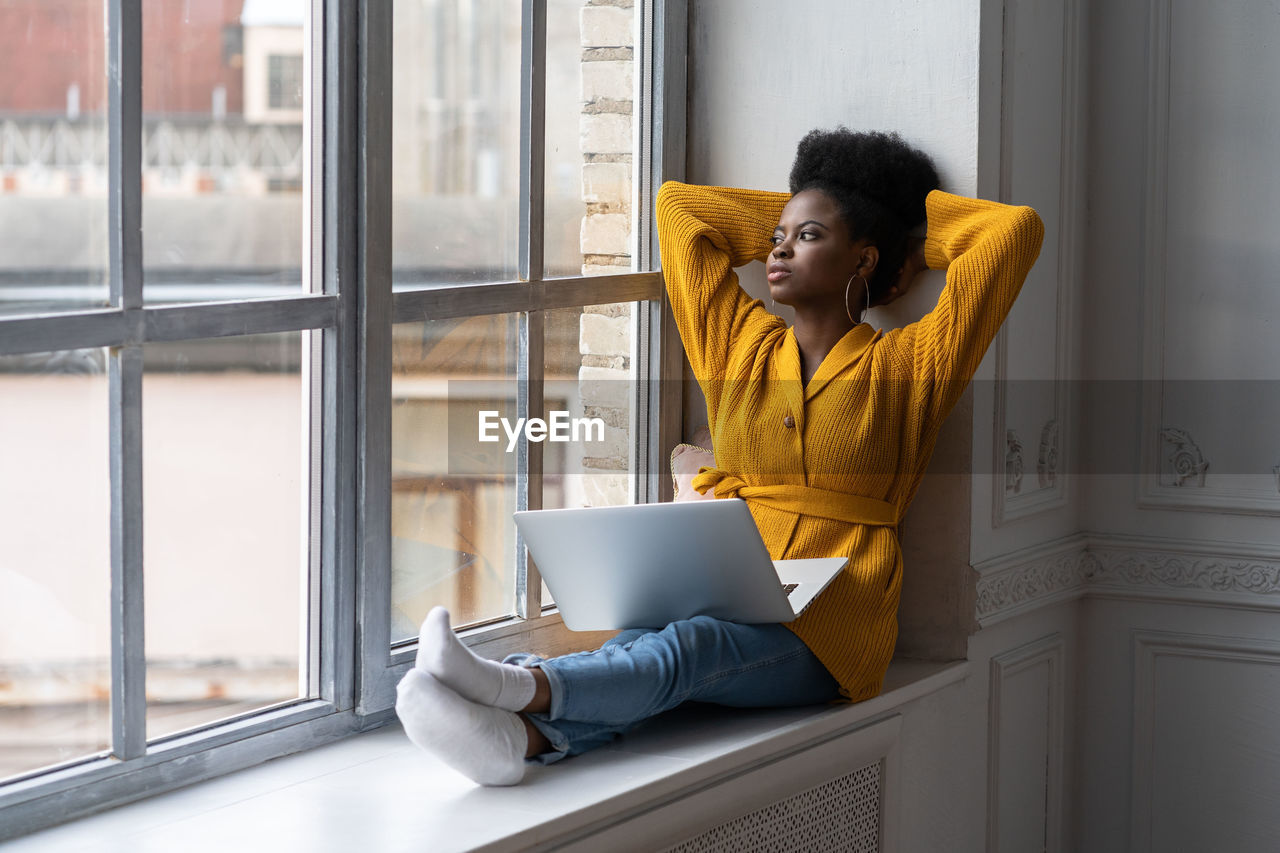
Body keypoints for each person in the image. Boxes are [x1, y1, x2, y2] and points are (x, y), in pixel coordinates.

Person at [395, 128, 1044, 786]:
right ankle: (517, 740)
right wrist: (808, 211)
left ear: (864, 260)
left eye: (809, 235)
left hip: (827, 630)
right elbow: (681, 212)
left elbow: (1010, 234)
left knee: (686, 648)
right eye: (776, 237)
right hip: (717, 589)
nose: (781, 247)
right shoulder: (738, 344)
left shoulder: (911, 365)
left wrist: (901, 236)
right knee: (641, 647)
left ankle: (517, 685)